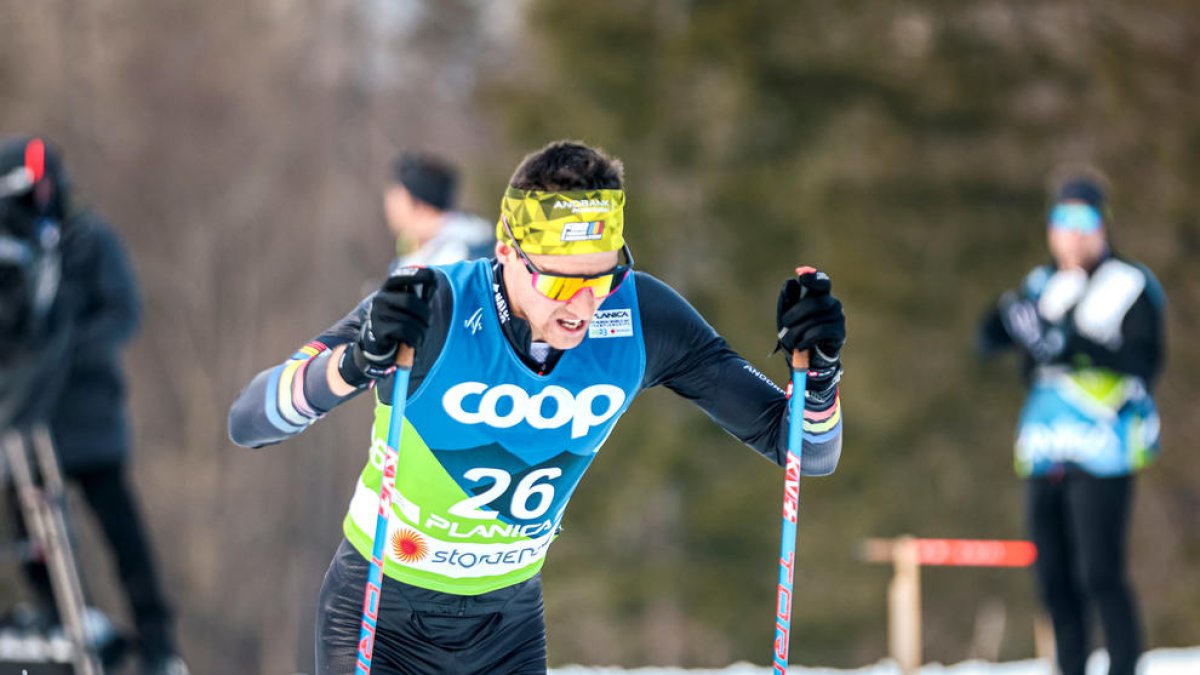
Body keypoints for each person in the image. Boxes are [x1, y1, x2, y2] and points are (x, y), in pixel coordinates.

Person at [229, 140, 846, 674]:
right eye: (557, 280)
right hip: (378, 615)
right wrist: (356, 363)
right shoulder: (437, 306)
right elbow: (251, 419)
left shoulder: (639, 318)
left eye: (602, 277)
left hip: (508, 625)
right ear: (506, 251)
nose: (581, 305)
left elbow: (804, 453)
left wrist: (820, 375)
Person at [0, 136, 190, 675]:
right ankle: (64, 621)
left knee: (123, 535)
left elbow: (123, 313)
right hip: (25, 422)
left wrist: (64, 350)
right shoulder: (10, 252)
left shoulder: (89, 240)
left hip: (89, 420)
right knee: (32, 534)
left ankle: (157, 646)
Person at [978, 171, 1164, 675]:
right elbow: (989, 340)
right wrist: (1006, 317)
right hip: (1044, 448)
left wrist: (1072, 344)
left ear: (1103, 225)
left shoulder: (1129, 284)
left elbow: (1145, 360)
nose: (1074, 233)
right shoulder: (1042, 285)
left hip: (1104, 448)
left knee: (1099, 574)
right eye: (1064, 220)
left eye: (1085, 220)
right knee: (1054, 582)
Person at [384, 151, 493, 273]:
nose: (389, 207)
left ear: (419, 204)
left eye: (397, 198)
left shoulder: (458, 255)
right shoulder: (424, 254)